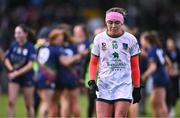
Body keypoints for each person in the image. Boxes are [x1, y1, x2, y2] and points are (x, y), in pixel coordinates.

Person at [88, 7, 141, 117]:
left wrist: (137, 87)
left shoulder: (131, 39)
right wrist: (92, 81)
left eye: (117, 22)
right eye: (110, 22)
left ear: (122, 23)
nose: (113, 26)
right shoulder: (99, 39)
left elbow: (135, 66)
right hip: (104, 85)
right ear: (105, 22)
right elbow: (93, 62)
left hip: (123, 85)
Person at [4, 24, 36, 117]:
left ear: (25, 34)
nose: (16, 35)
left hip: (27, 77)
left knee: (28, 105)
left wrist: (16, 73)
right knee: (11, 102)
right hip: (14, 77)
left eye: (19, 33)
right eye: (15, 33)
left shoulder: (30, 47)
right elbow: (6, 59)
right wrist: (11, 69)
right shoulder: (13, 45)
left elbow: (30, 65)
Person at [141, 31, 172, 117]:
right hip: (161, 77)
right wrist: (166, 72)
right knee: (154, 101)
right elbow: (169, 63)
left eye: (142, 40)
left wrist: (144, 75)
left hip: (159, 78)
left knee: (160, 103)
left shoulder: (151, 49)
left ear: (147, 40)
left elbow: (153, 67)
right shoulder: (158, 48)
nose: (141, 42)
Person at [166, 37, 180, 117]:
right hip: (168, 76)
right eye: (168, 44)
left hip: (176, 76)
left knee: (176, 93)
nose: (169, 46)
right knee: (169, 93)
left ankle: (173, 107)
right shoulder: (166, 53)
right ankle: (169, 109)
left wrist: (178, 71)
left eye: (170, 44)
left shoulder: (178, 52)